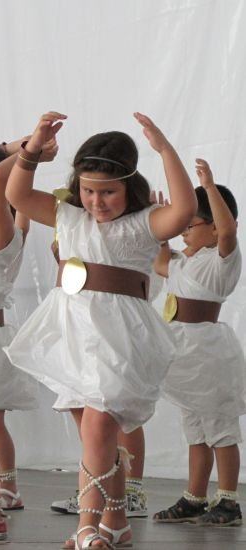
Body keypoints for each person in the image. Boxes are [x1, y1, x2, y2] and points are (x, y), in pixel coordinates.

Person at [5, 111, 197, 549]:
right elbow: (17, 193)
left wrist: (165, 150)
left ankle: (87, 527)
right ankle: (116, 523)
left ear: (130, 186)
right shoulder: (69, 216)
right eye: (88, 190)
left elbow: (185, 210)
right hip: (72, 335)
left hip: (119, 338)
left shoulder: (144, 223)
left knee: (97, 428)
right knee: (98, 436)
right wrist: (32, 148)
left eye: (108, 192)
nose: (96, 201)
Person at [153, 158, 244, 526]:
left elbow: (228, 232)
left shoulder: (220, 260)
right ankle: (195, 495)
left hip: (208, 355)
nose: (184, 233)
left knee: (220, 428)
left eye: (190, 225)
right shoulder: (184, 261)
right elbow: (160, 263)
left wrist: (208, 187)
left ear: (214, 226)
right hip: (183, 354)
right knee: (195, 429)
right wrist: (162, 226)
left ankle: (228, 499)